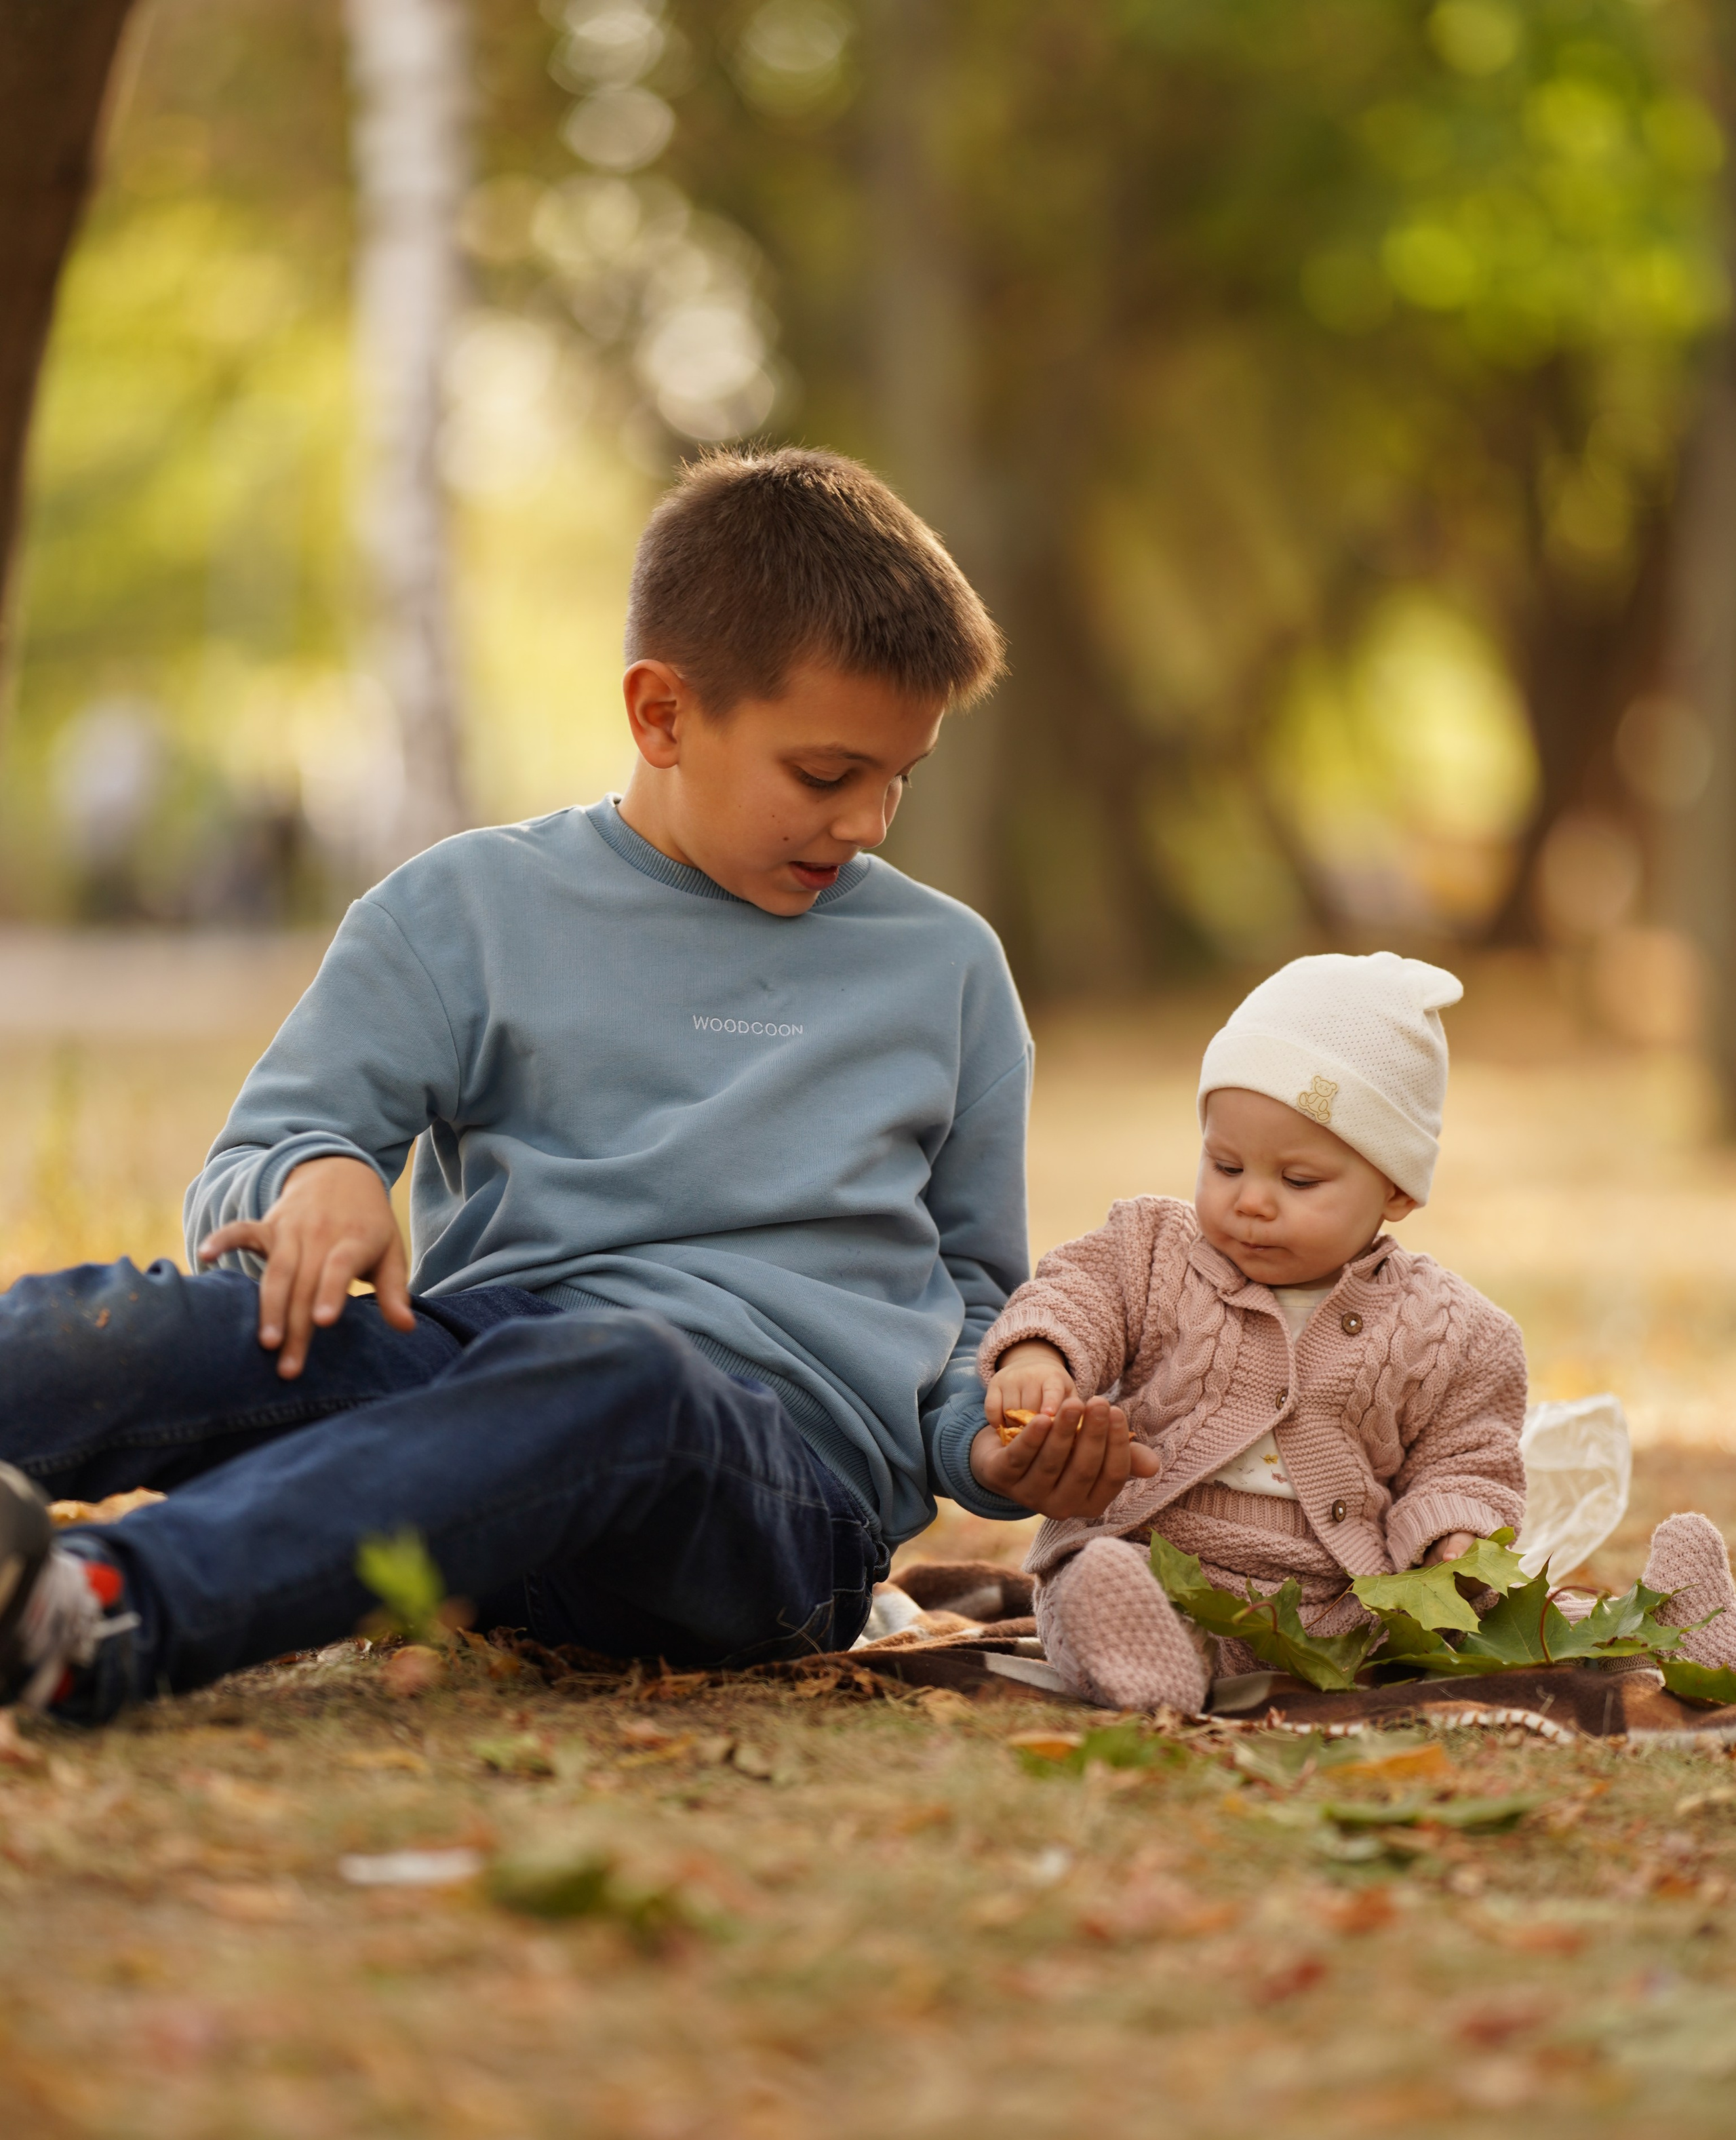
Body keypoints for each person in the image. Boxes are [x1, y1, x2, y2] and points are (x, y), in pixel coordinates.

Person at [0, 447, 1139, 1721]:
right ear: (661, 713)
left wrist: (997, 1440)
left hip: (769, 1503)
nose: (868, 824)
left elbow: (979, 1306)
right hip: (479, 1413)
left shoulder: (950, 970)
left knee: (630, 1379)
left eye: (900, 780)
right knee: (174, 1321)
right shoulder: (462, 912)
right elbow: (265, 1154)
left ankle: (94, 1614)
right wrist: (319, 1178)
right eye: (826, 776)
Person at [965, 951, 1736, 1712]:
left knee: (1500, 1633)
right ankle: (1145, 1662)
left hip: (1348, 1600)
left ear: (1395, 1188)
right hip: (1158, 1557)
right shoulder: (1153, 1250)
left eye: (1298, 1181)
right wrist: (1041, 1352)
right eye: (1225, 1164)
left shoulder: (1453, 1331)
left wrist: (1453, 1537)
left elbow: (1466, 1460)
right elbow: (1077, 1290)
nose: (1252, 1202)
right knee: (1095, 1578)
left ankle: (1666, 1620)